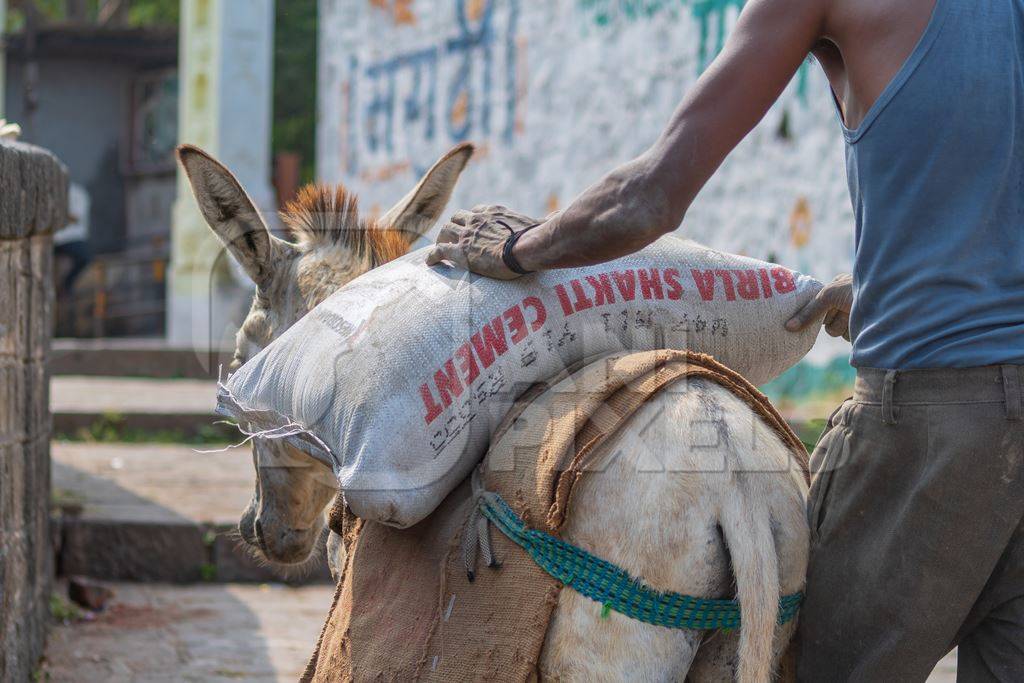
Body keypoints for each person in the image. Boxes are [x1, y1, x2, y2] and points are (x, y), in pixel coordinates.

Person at [426, 0, 1024, 679]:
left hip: (930, 428)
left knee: (803, 663)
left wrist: (517, 248)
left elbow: (649, 197)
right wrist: (890, 285)